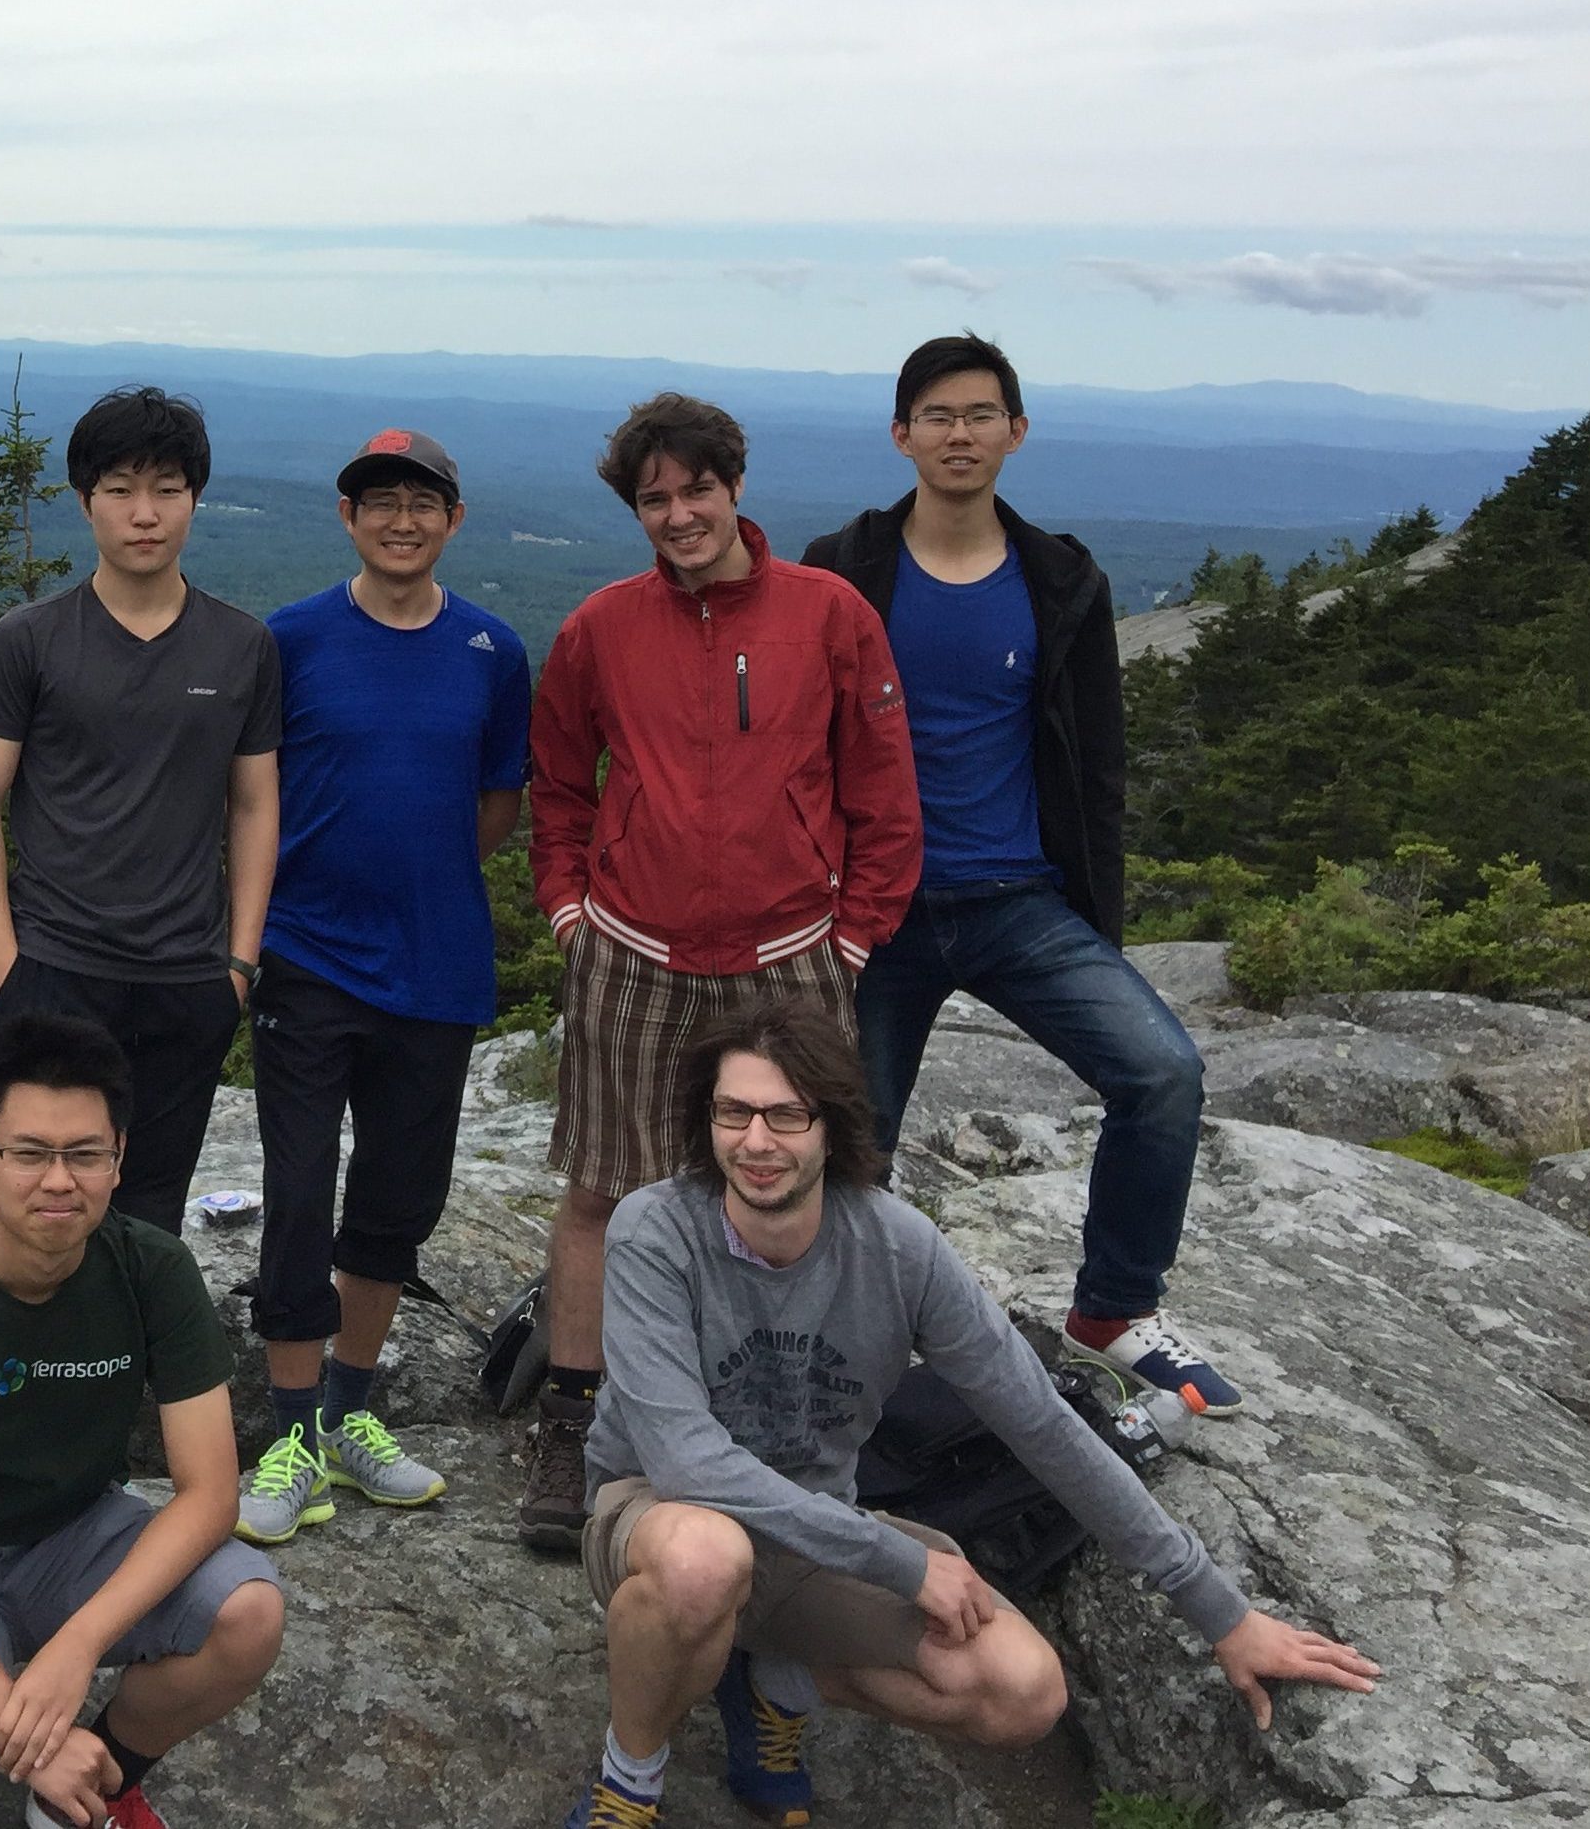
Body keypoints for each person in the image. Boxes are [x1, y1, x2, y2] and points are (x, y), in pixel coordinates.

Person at [565, 999, 1378, 1828]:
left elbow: (1044, 1426)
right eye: (733, 1112)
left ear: (832, 1126)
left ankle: (771, 1682)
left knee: (1023, 1691)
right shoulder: (657, 1230)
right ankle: (631, 1779)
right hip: (663, 1517)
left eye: (786, 1115)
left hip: (812, 1530)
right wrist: (900, 1560)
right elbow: (686, 1463)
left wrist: (1222, 1614)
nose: (756, 1142)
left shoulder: (898, 1249)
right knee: (706, 1560)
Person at [801, 333, 1237, 1411]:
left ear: (1015, 432)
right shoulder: (842, 567)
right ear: (901, 435)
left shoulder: (1059, 580)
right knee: (856, 1139)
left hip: (1016, 899)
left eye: (981, 414)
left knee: (1162, 1074)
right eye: (938, 416)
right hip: (877, 909)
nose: (961, 433)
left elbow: (1095, 760)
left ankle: (1114, 1311)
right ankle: (843, 1335)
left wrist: (1100, 918)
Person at [520, 392, 923, 1551]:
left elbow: (882, 788)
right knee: (604, 1187)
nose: (679, 512)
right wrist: (567, 910)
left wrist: (853, 939)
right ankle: (577, 1419)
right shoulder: (602, 627)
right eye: (655, 497)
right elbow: (559, 782)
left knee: (810, 1195)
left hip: (790, 957)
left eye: (696, 489)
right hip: (632, 954)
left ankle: (804, 1423)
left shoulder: (828, 614)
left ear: (734, 488)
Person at [0, 1011, 284, 1829]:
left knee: (249, 1614)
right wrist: (19, 1718)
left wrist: (75, 1651)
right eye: (29, 1152)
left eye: (84, 1154)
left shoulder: (152, 1269)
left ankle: (85, 1794)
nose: (58, 1181)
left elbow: (210, 1494)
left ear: (119, 1157)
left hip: (76, 1533)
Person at [232, 429, 532, 1545]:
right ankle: (293, 1428)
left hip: (436, 963)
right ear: (347, 518)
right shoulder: (292, 640)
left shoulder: (493, 651)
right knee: (300, 1191)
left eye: (422, 502)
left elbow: (495, 807)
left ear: (453, 519)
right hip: (307, 957)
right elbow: (248, 793)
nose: (400, 520)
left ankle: (350, 1417)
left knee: (398, 1203)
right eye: (378, 502)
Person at [0, 386, 280, 1237]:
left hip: (186, 979)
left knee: (146, 1215)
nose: (145, 513)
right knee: (16, 1214)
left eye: (168, 489)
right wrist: (5, 966)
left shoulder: (241, 647)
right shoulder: (30, 640)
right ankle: (3, 1373)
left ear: (195, 499)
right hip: (53, 968)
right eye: (120, 489)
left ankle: (119, 1372)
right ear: (84, 499)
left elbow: (252, 806)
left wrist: (237, 967)